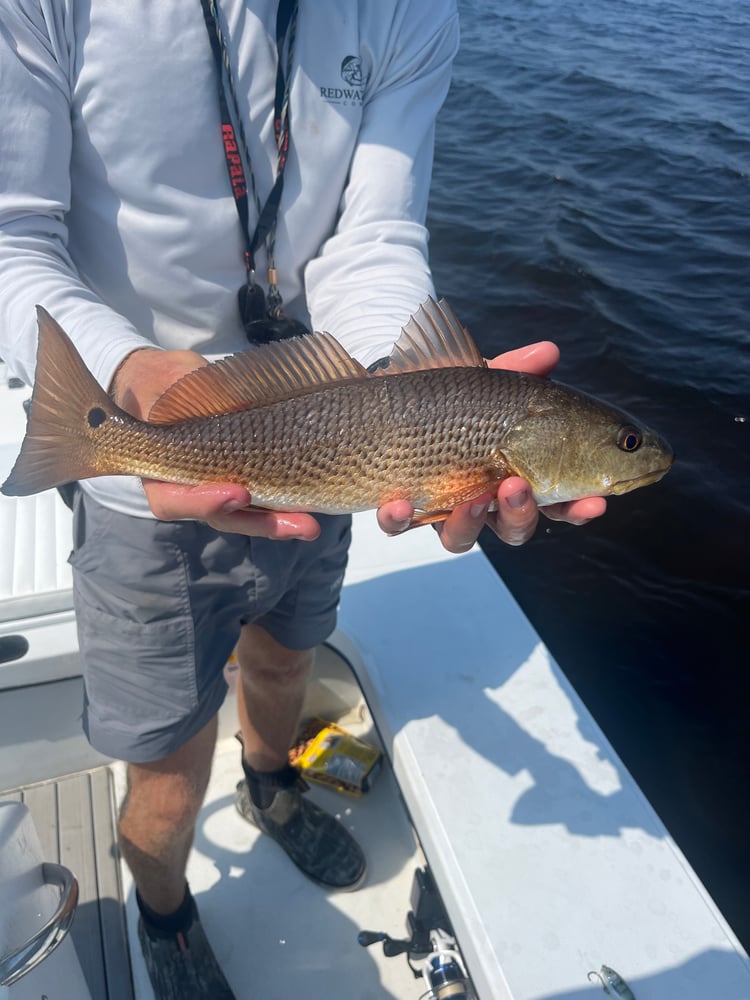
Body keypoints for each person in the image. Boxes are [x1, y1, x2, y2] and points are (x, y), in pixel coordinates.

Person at [0, 1, 606, 997]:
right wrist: (127, 376)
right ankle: (166, 912)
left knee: (286, 657)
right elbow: (13, 237)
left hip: (328, 455)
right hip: (138, 470)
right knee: (164, 767)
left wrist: (401, 401)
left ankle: (274, 781)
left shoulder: (410, 12)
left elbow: (373, 236)